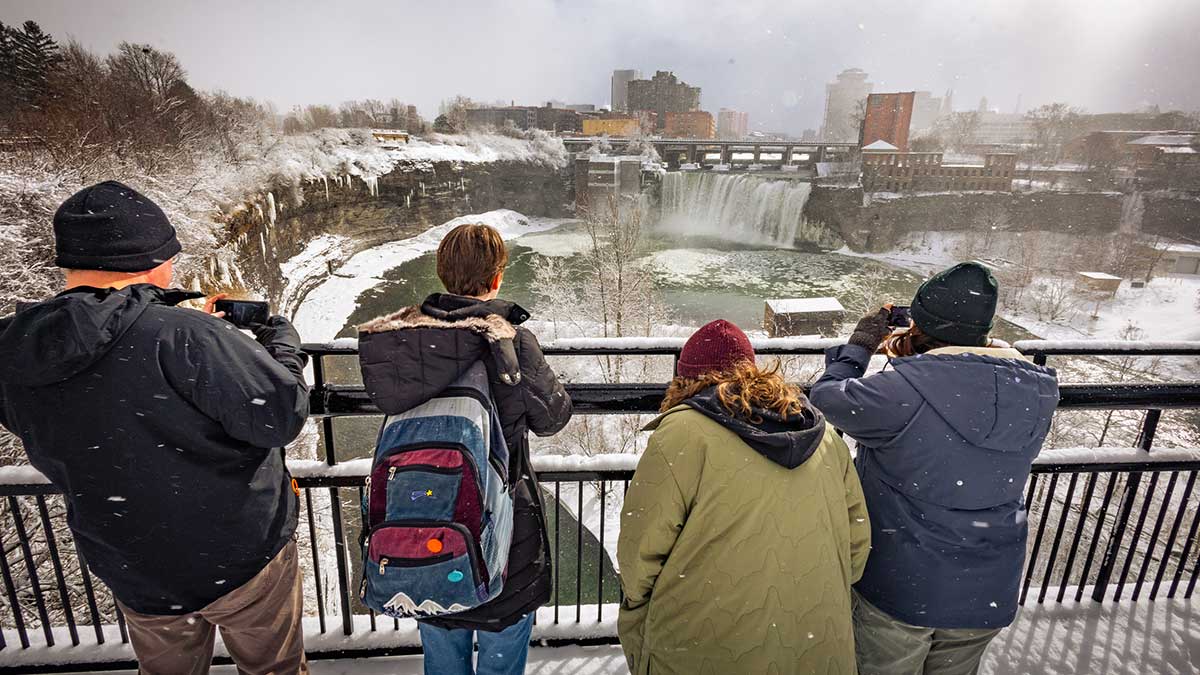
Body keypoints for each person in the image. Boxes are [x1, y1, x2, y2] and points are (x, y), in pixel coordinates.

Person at [0, 181, 311, 674]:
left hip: (133, 562)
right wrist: (280, 343)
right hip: (239, 552)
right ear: (149, 260)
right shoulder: (185, 336)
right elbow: (280, 414)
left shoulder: (16, 347)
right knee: (273, 670)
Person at [809, 262, 1060, 675]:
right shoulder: (1036, 389)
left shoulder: (902, 392)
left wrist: (860, 346)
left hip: (903, 583)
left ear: (919, 329)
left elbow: (828, 396)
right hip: (987, 589)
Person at [356, 222, 572, 675]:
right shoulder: (506, 341)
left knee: (443, 644)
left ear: (442, 274)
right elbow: (552, 417)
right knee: (501, 650)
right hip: (503, 528)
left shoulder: (404, 344)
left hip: (422, 523)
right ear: (496, 278)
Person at [617, 319, 871, 675]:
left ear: (686, 378)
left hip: (702, 638)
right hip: (814, 635)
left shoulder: (682, 435)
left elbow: (640, 550)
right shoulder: (824, 435)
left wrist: (641, 612)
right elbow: (856, 545)